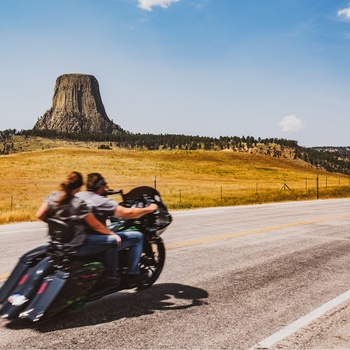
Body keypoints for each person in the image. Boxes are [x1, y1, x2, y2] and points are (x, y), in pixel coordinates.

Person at [36, 171, 121, 292]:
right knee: (112, 242)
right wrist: (112, 234)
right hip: (76, 246)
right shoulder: (78, 203)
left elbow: (40, 215)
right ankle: (111, 278)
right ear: (80, 187)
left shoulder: (53, 196)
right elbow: (96, 225)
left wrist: (56, 224)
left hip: (56, 243)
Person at [76, 172, 158, 287]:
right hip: (93, 241)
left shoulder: (78, 196)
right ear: (101, 186)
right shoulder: (101, 202)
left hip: (78, 238)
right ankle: (132, 274)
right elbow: (128, 213)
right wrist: (149, 208)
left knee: (110, 230)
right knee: (137, 237)